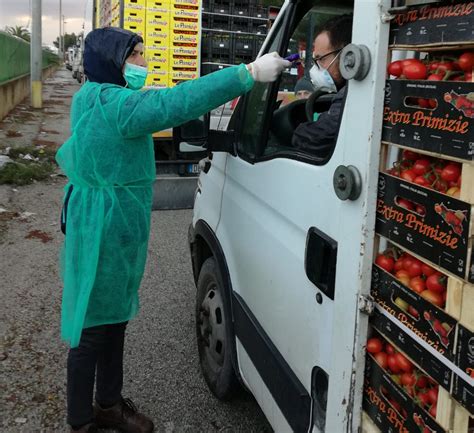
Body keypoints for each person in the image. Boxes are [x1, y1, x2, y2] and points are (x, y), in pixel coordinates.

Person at [56, 27, 290, 433]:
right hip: (103, 230)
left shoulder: (93, 95)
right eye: (136, 55)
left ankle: (109, 404)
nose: (144, 62)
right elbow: (175, 102)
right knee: (93, 329)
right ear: (113, 61)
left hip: (109, 223)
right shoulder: (115, 105)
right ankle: (81, 421)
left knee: (113, 321)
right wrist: (246, 74)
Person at [292, 14, 353, 157]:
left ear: (348, 56)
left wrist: (299, 132)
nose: (316, 68)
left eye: (321, 59)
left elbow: (312, 139)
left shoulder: (351, 96)